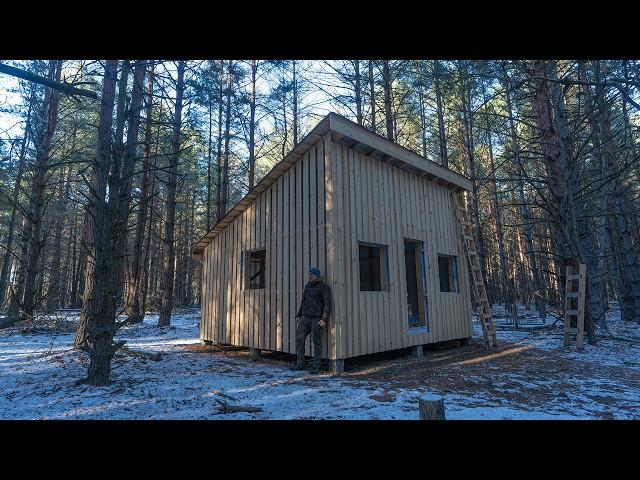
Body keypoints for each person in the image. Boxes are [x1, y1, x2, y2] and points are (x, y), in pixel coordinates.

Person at [292, 267, 332, 373]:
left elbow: (327, 304)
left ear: (317, 275)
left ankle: (316, 366)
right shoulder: (308, 286)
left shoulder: (324, 287)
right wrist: (298, 315)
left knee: (316, 341)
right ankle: (300, 363)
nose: (309, 276)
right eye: (309, 274)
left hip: (317, 318)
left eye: (312, 274)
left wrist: (324, 318)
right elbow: (303, 302)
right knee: (299, 339)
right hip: (305, 317)